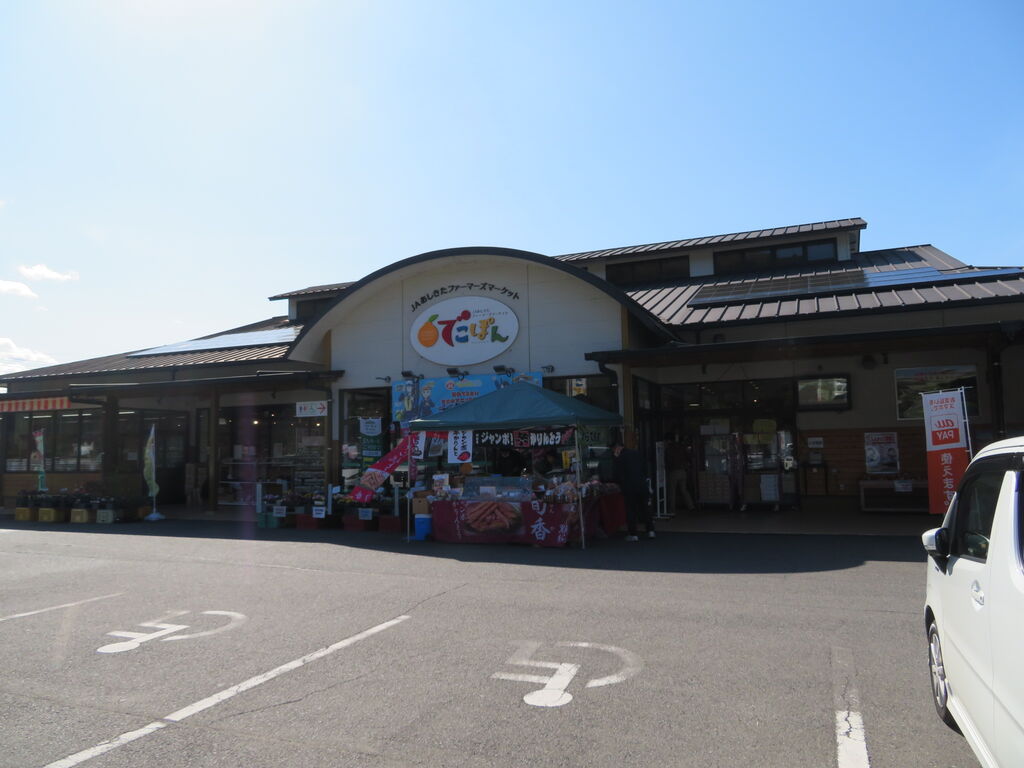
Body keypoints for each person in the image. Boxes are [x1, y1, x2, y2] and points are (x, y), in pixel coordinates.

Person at [611, 438, 653, 541]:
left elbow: (617, 474)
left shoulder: (620, 457)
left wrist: (616, 458)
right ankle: (651, 531)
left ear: (617, 448)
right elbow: (645, 468)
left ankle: (633, 534)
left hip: (629, 487)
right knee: (645, 508)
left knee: (631, 510)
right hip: (642, 484)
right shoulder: (637, 453)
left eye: (613, 449)